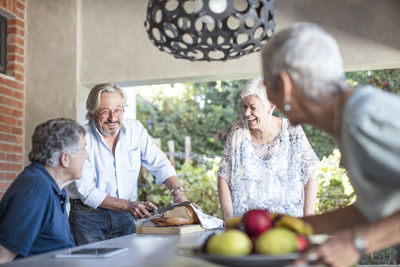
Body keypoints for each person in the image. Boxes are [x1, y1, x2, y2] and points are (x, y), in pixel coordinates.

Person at [261, 22, 400, 267]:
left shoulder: (363, 116)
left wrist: (357, 243)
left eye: (267, 87)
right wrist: (299, 227)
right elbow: (371, 211)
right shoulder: (349, 119)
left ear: (285, 86)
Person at [67, 83, 191, 245]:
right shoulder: (81, 138)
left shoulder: (135, 130)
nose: (113, 117)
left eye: (118, 110)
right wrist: (128, 206)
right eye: (105, 111)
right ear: (91, 113)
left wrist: (177, 192)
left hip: (125, 215)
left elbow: (160, 163)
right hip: (88, 216)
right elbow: (87, 191)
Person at [217, 77, 319, 222]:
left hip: (288, 223)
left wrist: (309, 218)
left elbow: (311, 172)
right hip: (246, 224)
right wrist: (228, 220)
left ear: (270, 107)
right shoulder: (238, 132)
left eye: (252, 108)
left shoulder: (292, 131)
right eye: (244, 106)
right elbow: (223, 176)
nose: (246, 113)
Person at [0, 118, 87, 263]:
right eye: (83, 149)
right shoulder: (36, 192)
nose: (87, 155)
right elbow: (2, 258)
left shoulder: (53, 187)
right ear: (65, 159)